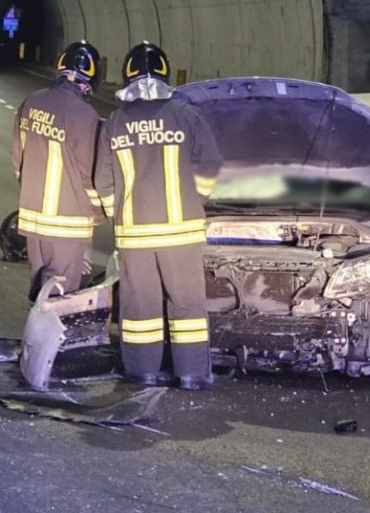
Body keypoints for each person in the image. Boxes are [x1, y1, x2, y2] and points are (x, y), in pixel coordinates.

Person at [95, 42, 222, 390]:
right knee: (187, 304)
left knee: (140, 306)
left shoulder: (115, 123)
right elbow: (210, 165)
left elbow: (102, 181)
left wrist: (117, 214)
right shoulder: (187, 117)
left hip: (135, 234)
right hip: (182, 233)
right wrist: (196, 198)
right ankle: (192, 374)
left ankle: (142, 372)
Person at [12, 41, 105, 301]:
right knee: (59, 298)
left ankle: (35, 329)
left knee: (40, 293)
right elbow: (90, 175)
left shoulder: (31, 103)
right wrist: (98, 214)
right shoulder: (83, 114)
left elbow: (18, 159)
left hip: (33, 219)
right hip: (67, 224)